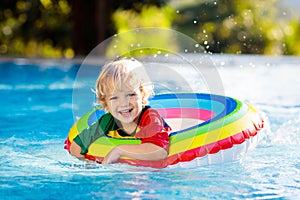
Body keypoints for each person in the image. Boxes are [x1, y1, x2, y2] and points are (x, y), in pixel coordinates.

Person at [69, 58, 171, 164]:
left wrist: (119, 150)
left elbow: (160, 152)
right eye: (114, 98)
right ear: (105, 102)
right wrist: (89, 166)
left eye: (131, 94)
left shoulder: (150, 118)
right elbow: (76, 147)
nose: (124, 104)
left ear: (142, 94)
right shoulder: (108, 121)